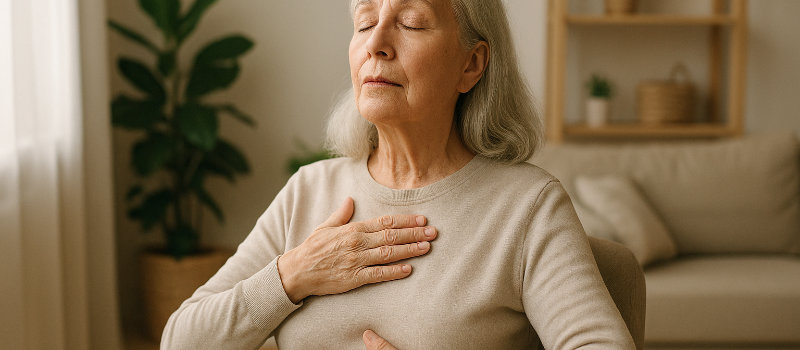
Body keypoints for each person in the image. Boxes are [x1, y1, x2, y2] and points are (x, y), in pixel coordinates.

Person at [162, 0, 636, 349]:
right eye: (365, 22)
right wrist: (293, 276)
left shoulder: (527, 207)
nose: (375, 44)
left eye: (410, 22)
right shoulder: (310, 190)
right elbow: (181, 341)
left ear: (471, 65)